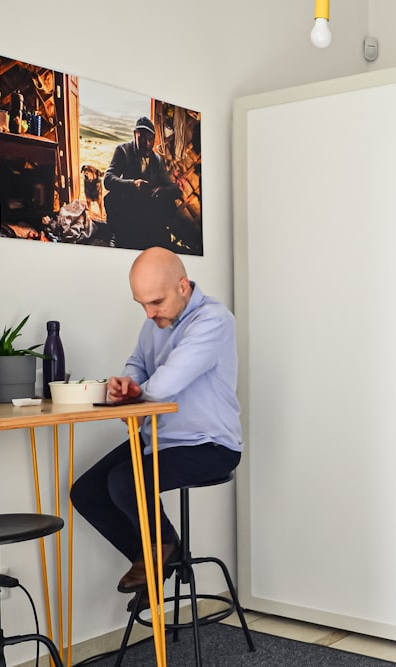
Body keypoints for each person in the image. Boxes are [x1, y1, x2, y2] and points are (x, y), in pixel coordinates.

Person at [70, 247, 242, 607]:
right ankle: (158, 555)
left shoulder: (214, 320)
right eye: (141, 304)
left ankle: (161, 549)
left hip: (209, 446)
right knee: (85, 491)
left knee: (124, 480)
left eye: (155, 302)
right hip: (160, 442)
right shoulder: (154, 322)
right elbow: (138, 364)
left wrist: (135, 394)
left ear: (183, 286)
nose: (149, 313)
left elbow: (165, 383)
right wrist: (127, 383)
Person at [103, 116, 183, 250]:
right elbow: (108, 179)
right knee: (111, 198)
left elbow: (169, 186)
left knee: (168, 205)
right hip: (127, 206)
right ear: (135, 135)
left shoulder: (157, 160)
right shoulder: (123, 151)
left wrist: (164, 191)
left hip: (147, 208)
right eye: (142, 138)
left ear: (154, 139)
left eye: (150, 139)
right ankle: (118, 236)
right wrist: (133, 185)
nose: (147, 144)